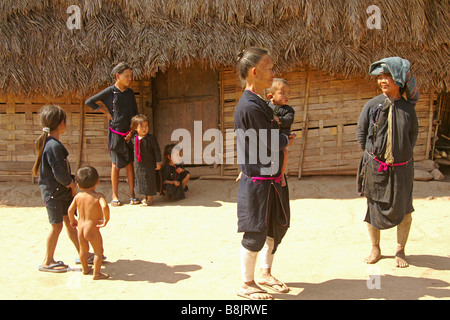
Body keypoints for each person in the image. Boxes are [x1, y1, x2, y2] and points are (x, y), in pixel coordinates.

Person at [234, 47, 294, 300]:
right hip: (259, 181)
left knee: (274, 227)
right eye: (269, 68)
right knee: (255, 231)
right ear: (254, 71)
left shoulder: (261, 102)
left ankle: (265, 273)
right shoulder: (250, 106)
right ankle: (247, 283)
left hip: (272, 179)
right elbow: (267, 142)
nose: (273, 72)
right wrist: (284, 138)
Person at [356, 57, 419, 268]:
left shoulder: (408, 109)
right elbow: (361, 133)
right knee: (373, 206)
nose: (383, 81)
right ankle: (375, 247)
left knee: (405, 208)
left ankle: (400, 249)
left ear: (399, 80)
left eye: (388, 77)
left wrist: (401, 155)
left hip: (402, 169)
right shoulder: (372, 105)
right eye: (380, 77)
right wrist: (372, 156)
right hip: (376, 168)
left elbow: (413, 136)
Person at [85, 62, 140, 206]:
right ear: (117, 76)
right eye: (126, 75)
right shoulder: (110, 92)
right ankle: (115, 196)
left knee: (129, 164)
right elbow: (89, 101)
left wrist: (132, 131)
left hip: (129, 133)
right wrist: (105, 112)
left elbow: (135, 113)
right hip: (115, 133)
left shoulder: (129, 93)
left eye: (131, 76)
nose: (129, 78)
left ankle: (132, 195)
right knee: (115, 164)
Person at [33, 105, 79, 273]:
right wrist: (72, 185)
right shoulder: (53, 146)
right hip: (54, 193)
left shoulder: (52, 144)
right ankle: (47, 261)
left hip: (60, 192)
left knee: (71, 223)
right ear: (61, 123)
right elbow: (60, 174)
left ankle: (83, 253)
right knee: (57, 226)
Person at [68, 166, 110, 280]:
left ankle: (85, 268)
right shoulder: (98, 196)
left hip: (81, 228)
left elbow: (70, 210)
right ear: (97, 181)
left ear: (78, 185)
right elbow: (105, 206)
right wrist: (106, 219)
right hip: (92, 229)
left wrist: (72, 220)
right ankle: (97, 273)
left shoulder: (78, 196)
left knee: (83, 250)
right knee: (98, 251)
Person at [266, 78, 295, 187]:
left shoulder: (288, 110)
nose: (286, 96)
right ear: (270, 96)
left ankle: (281, 175)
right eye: (282, 93)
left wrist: (280, 120)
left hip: (282, 137)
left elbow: (289, 120)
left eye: (288, 93)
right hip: (269, 138)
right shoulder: (266, 107)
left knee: (284, 153)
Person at [130, 114, 162, 206]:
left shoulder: (151, 138)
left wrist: (158, 162)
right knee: (142, 181)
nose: (144, 128)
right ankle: (145, 197)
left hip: (150, 165)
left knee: (149, 180)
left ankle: (150, 199)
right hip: (139, 165)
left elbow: (157, 150)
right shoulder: (134, 138)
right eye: (142, 126)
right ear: (135, 128)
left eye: (146, 126)